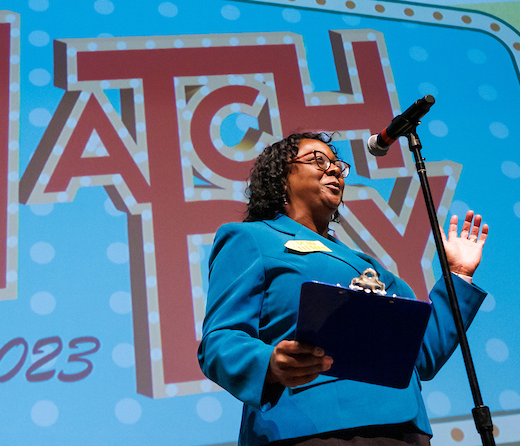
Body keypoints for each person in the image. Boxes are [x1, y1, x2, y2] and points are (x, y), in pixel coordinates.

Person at [197, 132, 490, 445]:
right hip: (311, 426)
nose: (334, 169)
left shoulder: (368, 265)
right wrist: (268, 362)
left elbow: (422, 354)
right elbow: (220, 341)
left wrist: (458, 275)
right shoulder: (252, 239)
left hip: (403, 428)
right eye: (318, 160)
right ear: (282, 177)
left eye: (337, 164)